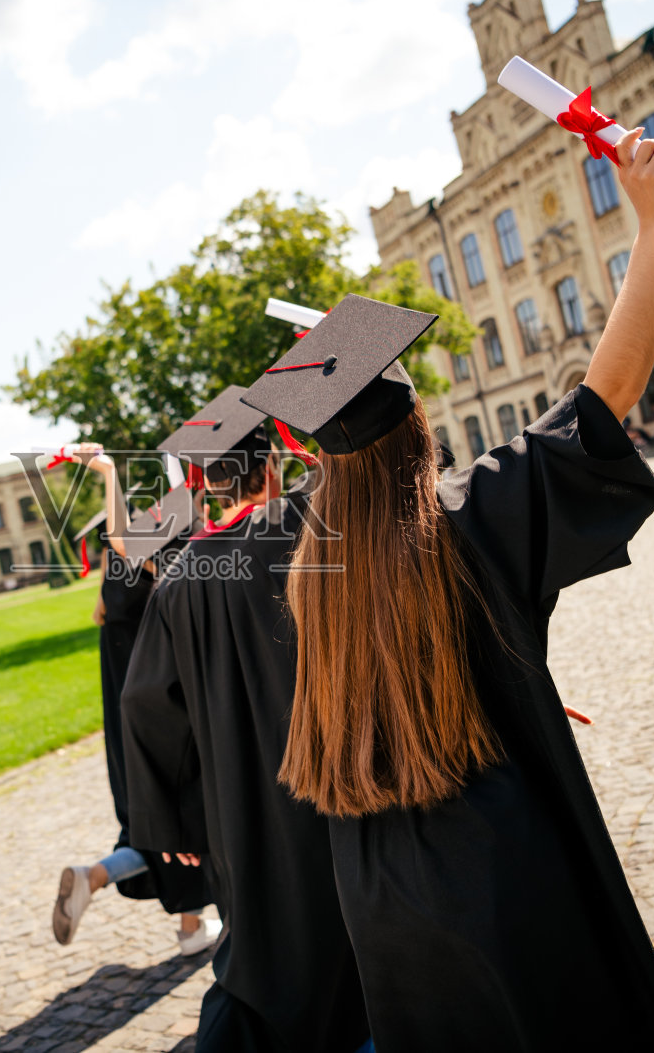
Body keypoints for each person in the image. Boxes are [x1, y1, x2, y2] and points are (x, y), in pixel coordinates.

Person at [239, 129, 654, 1050]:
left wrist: (517, 681)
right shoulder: (467, 516)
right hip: (505, 872)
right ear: (417, 422)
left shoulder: (312, 570)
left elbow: (406, 670)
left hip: (381, 897)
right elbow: (604, 399)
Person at [120, 386, 370, 1053]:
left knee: (265, 946)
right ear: (271, 467)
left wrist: (172, 819)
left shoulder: (178, 582)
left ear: (206, 483)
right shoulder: (323, 526)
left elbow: (145, 702)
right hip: (352, 773)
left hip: (243, 807)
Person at [50, 456, 216, 955]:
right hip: (167, 716)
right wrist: (108, 475)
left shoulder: (114, 588)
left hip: (125, 723)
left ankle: (182, 923)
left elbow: (110, 578)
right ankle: (106, 881)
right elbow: (130, 542)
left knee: (154, 819)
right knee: (189, 813)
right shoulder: (164, 576)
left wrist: (108, 478)